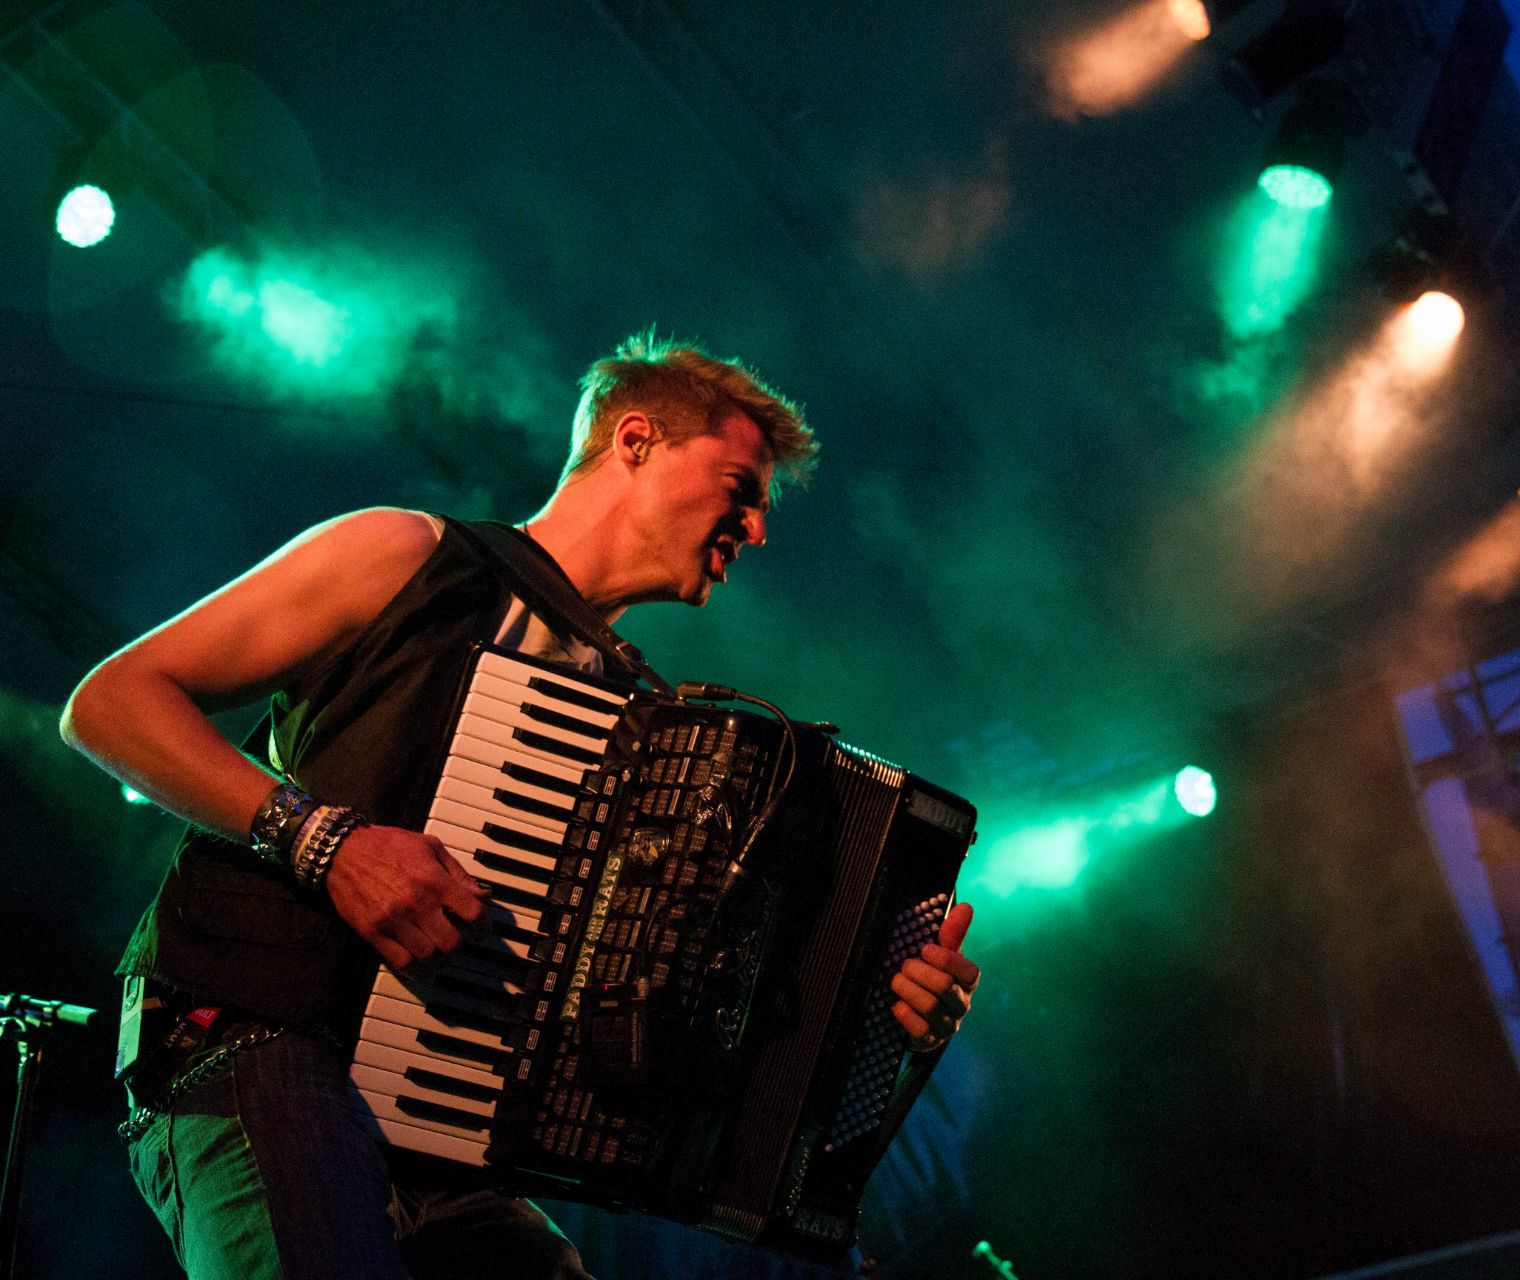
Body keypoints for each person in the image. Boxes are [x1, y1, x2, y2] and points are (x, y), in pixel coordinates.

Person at [60, 333, 981, 1280]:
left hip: (438, 1127)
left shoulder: (647, 737)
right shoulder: (407, 556)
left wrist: (871, 1022)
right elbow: (110, 703)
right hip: (254, 1039)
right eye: (740, 489)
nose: (756, 530)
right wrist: (327, 842)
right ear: (635, 441)